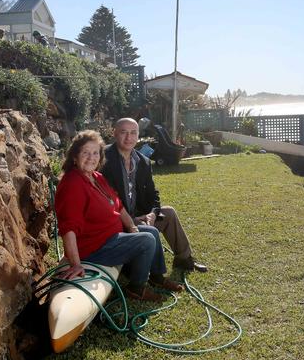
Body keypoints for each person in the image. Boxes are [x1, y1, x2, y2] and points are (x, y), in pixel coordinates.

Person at [55, 130, 183, 302]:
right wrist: (76, 264)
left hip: (111, 235)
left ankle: (157, 277)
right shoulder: (73, 183)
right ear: (74, 156)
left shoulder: (96, 177)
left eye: (95, 153)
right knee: (147, 240)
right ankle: (136, 288)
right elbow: (68, 227)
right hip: (94, 248)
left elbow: (118, 205)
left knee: (150, 231)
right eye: (85, 152)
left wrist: (132, 227)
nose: (91, 157)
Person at [102, 118, 208, 272]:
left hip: (142, 218)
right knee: (146, 229)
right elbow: (104, 200)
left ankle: (184, 259)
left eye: (133, 133)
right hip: (118, 222)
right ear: (114, 133)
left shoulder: (143, 161)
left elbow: (153, 194)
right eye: (123, 132)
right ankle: (152, 274)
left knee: (169, 213)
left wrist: (152, 214)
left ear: (138, 135)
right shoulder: (103, 158)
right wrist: (132, 220)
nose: (128, 137)